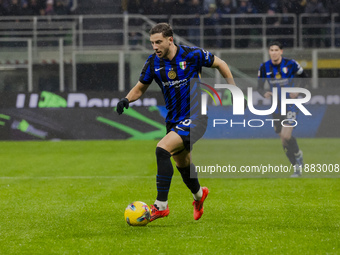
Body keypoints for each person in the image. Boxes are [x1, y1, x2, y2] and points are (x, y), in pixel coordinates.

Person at [116, 23, 236, 222]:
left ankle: (160, 206)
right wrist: (126, 99)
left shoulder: (192, 55)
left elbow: (221, 64)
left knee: (162, 149)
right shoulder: (153, 63)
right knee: (183, 164)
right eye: (152, 43)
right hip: (173, 121)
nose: (155, 47)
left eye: (158, 42)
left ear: (170, 40)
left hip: (197, 117)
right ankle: (199, 195)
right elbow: (140, 88)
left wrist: (234, 90)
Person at [257, 41, 307, 177]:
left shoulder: (291, 64)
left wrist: (297, 91)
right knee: (283, 140)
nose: (274, 52)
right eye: (271, 50)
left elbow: (304, 77)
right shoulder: (264, 67)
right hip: (276, 106)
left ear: (281, 51)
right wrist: (264, 93)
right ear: (269, 52)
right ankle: (296, 167)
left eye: (276, 50)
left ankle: (297, 154)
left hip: (290, 104)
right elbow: (259, 87)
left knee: (286, 135)